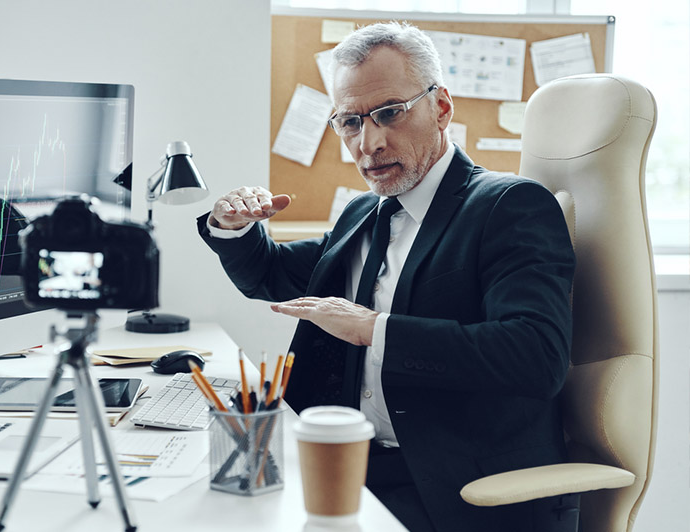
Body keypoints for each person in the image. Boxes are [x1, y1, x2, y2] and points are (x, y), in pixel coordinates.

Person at [197, 21, 577, 532]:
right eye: (350, 122)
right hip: (348, 465)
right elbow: (272, 276)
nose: (368, 142)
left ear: (441, 107)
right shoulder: (364, 212)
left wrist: (374, 329)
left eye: (389, 113)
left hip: (449, 485)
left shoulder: (508, 206)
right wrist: (232, 226)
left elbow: (536, 355)